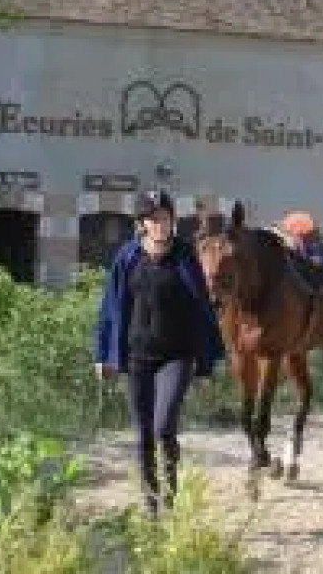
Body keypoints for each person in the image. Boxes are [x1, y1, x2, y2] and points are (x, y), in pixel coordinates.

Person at [93, 190, 225, 516]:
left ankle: (170, 495)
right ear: (142, 224)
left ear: (172, 222)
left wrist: (206, 361)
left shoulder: (184, 258)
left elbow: (202, 309)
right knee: (142, 437)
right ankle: (151, 505)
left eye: (164, 218)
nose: (160, 224)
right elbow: (110, 308)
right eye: (153, 219)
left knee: (163, 427)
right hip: (138, 357)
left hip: (176, 356)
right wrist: (104, 354)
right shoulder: (127, 258)